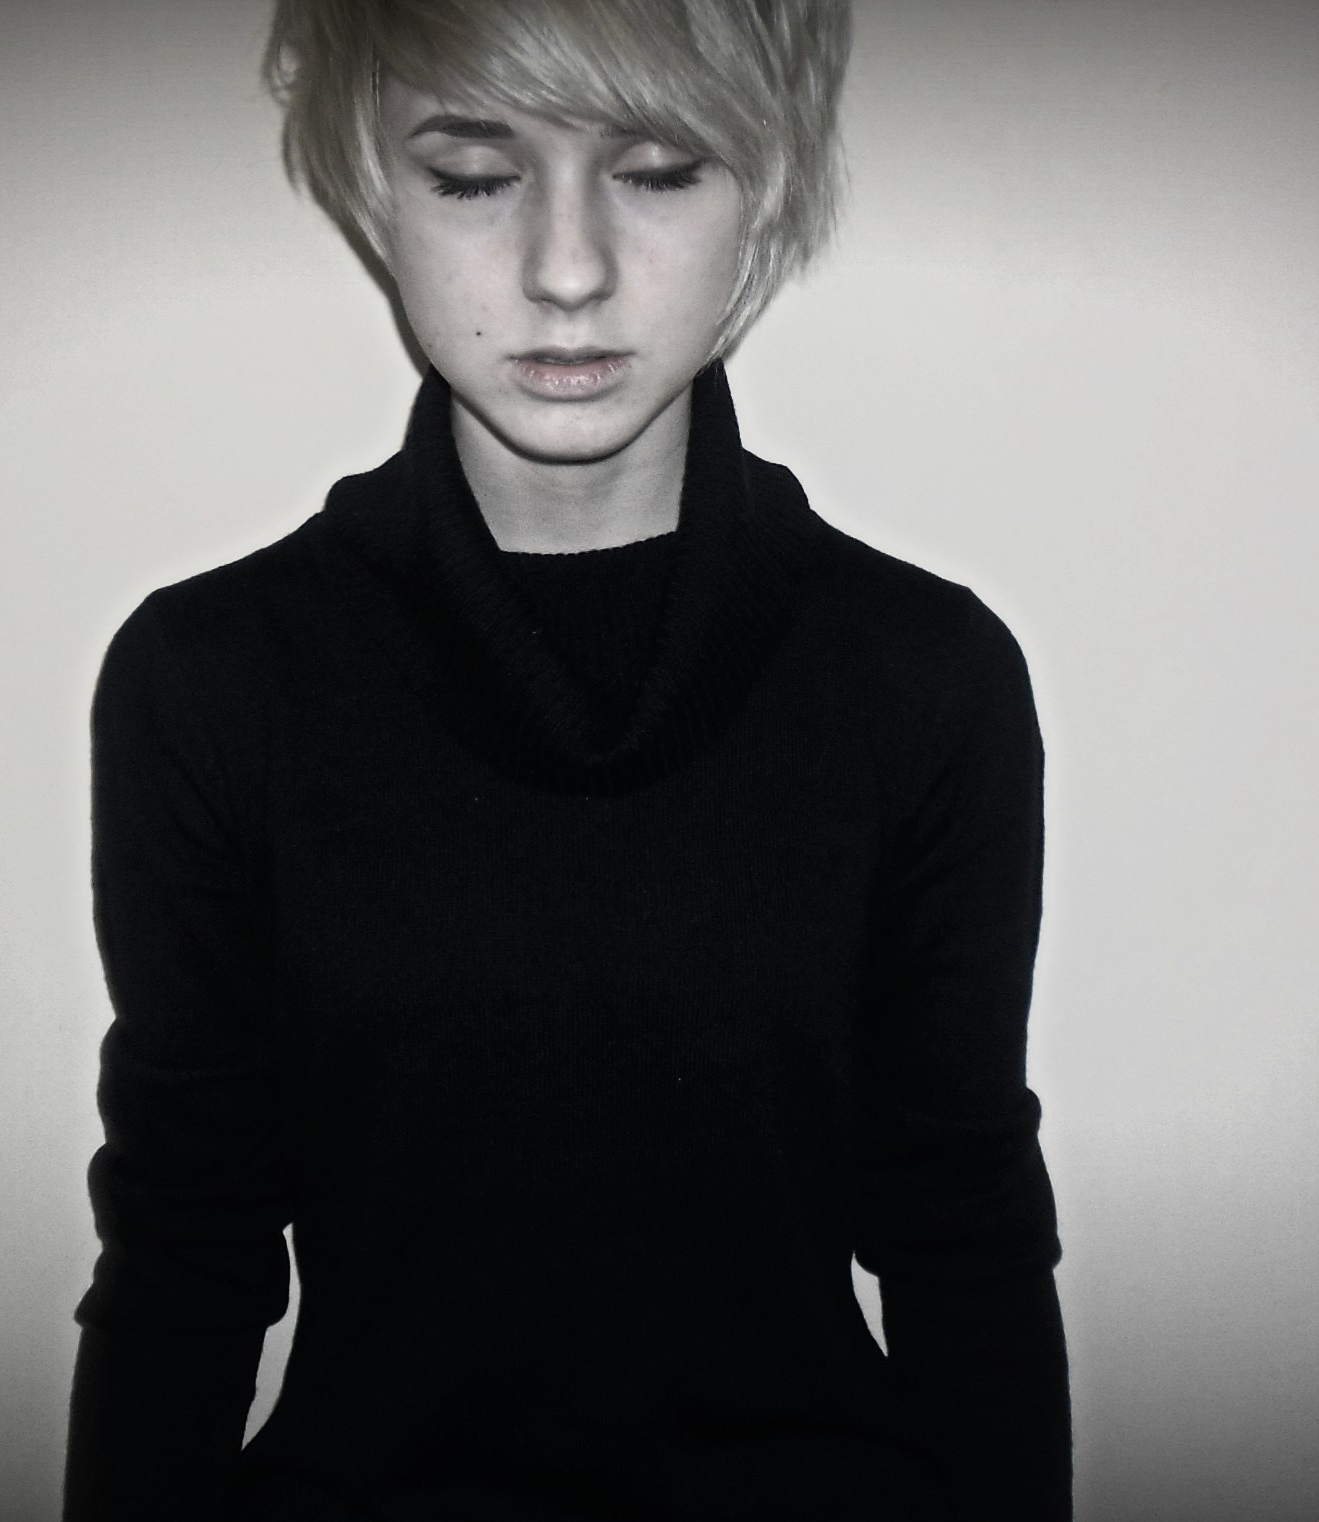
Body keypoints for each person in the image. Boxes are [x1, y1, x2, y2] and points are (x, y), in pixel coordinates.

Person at [63, 1, 1070, 1517]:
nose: (568, 269)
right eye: (474, 175)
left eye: (658, 170)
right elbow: (183, 1249)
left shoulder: (926, 680)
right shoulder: (211, 683)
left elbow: (963, 1234)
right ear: (372, 182)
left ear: (765, 189)